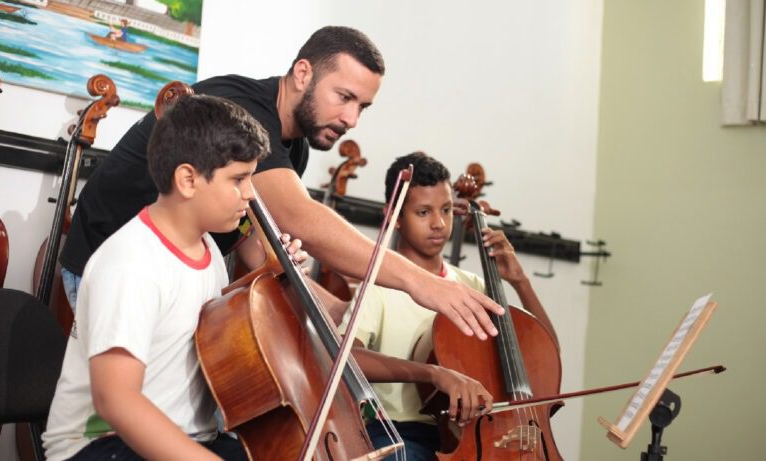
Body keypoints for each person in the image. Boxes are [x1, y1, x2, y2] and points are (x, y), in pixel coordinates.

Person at [59, 25, 503, 339]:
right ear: (303, 73)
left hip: (186, 281)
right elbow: (297, 215)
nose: (351, 119)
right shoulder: (241, 110)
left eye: (362, 107)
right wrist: (418, 281)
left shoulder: (298, 147)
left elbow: (254, 244)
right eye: (344, 97)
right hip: (111, 269)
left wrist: (337, 310)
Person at [42, 95, 306, 460]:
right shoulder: (130, 263)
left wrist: (272, 280)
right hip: (102, 443)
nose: (250, 194)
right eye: (239, 179)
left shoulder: (207, 247)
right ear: (187, 179)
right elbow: (115, 400)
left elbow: (201, 318)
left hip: (189, 435)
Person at [341, 152, 559, 460]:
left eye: (445, 210)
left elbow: (544, 356)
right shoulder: (380, 285)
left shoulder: (473, 287)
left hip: (477, 431)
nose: (439, 223)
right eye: (423, 212)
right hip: (399, 430)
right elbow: (345, 358)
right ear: (395, 217)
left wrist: (520, 281)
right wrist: (432, 374)